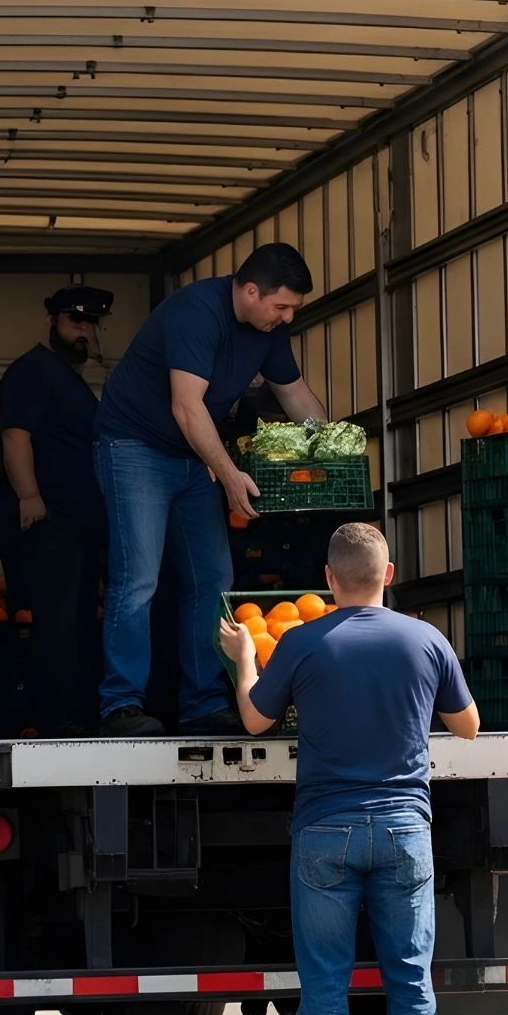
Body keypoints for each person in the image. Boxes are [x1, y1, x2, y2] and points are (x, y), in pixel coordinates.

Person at [218, 523, 481, 1015]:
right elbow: (468, 728)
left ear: (329, 580)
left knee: (327, 985)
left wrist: (245, 657)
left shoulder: (303, 642)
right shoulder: (426, 639)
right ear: (389, 575)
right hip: (403, 829)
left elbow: (255, 720)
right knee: (411, 983)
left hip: (324, 831)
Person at [96, 243, 327, 737]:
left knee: (212, 579)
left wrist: (331, 450)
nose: (287, 318)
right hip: (134, 446)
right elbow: (187, 406)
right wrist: (225, 470)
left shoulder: (270, 329)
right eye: (281, 306)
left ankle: (204, 702)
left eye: (293, 310)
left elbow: (294, 393)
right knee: (137, 579)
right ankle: (120, 704)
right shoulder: (196, 311)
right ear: (249, 290)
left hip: (192, 455)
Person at [0, 284, 114, 735]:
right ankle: (56, 717)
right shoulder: (32, 371)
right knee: (59, 621)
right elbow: (15, 435)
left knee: (78, 619)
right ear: (54, 322)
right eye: (74, 322)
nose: (82, 331)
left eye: (90, 325)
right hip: (49, 521)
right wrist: (30, 496)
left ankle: (74, 712)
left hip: (77, 524)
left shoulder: (71, 380)